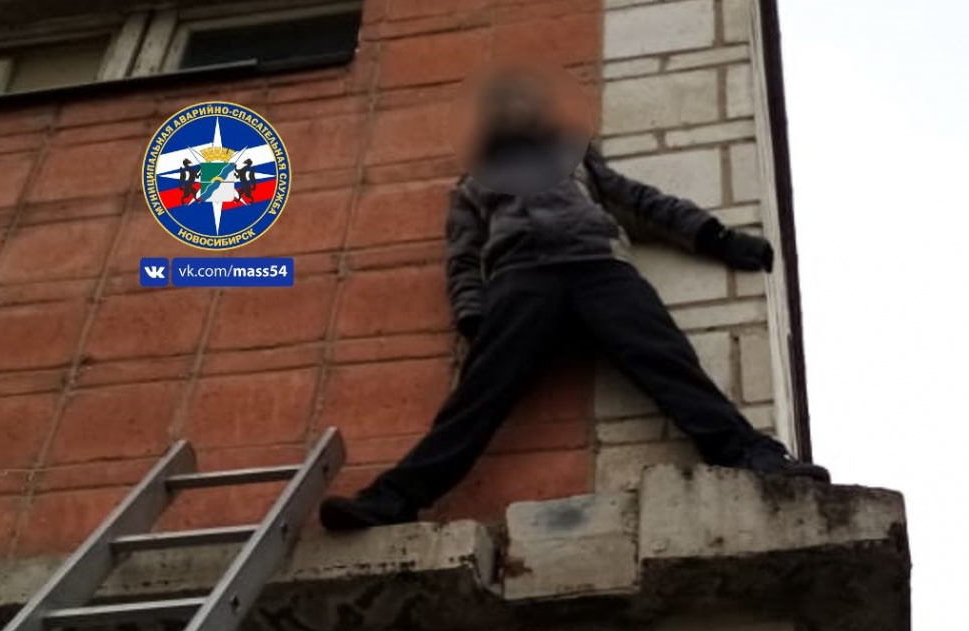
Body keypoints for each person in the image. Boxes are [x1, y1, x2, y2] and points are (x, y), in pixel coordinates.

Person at [319, 70, 830, 532]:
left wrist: (717, 238)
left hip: (599, 268)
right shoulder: (473, 183)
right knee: (476, 400)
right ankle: (393, 499)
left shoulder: (575, 156)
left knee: (669, 363)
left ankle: (756, 457)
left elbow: (640, 203)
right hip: (522, 280)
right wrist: (472, 313)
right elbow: (463, 257)